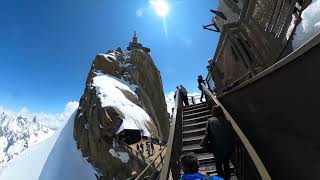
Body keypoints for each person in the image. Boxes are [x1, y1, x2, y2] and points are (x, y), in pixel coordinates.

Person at [202, 106, 234, 180]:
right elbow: (231, 133)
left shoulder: (210, 120)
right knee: (226, 162)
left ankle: (221, 177)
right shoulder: (227, 120)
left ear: (213, 112)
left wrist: (204, 144)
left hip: (217, 146)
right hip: (228, 146)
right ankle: (228, 177)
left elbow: (207, 134)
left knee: (218, 164)